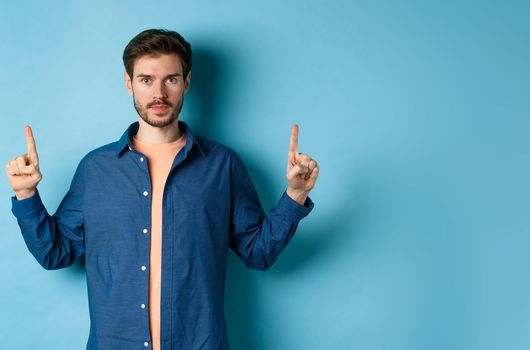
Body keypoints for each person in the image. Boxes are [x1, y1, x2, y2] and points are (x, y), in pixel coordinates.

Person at [5, 29, 319, 350]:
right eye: (146, 80)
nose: (159, 93)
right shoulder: (95, 170)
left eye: (170, 79)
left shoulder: (222, 166)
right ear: (129, 83)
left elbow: (258, 252)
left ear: (187, 82)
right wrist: (26, 195)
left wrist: (294, 195)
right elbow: (55, 253)